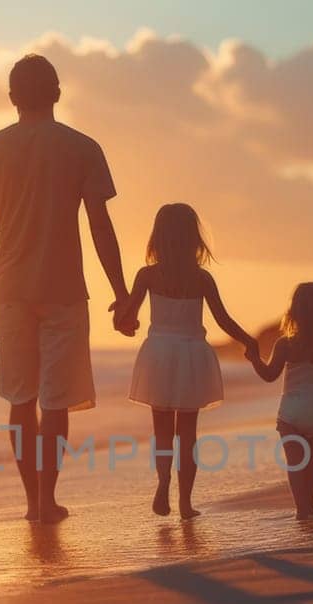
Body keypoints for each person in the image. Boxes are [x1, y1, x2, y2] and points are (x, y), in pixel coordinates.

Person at [0, 54, 128, 524]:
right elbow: (100, 227)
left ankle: (33, 501)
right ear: (57, 92)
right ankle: (47, 500)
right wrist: (123, 292)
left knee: (21, 399)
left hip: (8, 291)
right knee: (55, 402)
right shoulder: (82, 147)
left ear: (12, 98)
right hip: (65, 290)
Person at [116, 203, 258, 519]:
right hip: (192, 353)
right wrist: (249, 341)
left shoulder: (148, 275)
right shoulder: (201, 278)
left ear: (158, 237)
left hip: (159, 354)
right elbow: (223, 320)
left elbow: (129, 317)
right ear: (193, 238)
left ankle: (163, 482)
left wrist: (125, 319)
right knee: (188, 434)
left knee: (162, 431)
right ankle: (185, 503)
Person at [245, 282, 313, 520]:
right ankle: (310, 505)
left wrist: (254, 359)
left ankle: (301, 508)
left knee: (295, 461)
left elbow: (269, 375)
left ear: (293, 311)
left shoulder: (286, 344)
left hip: (293, 411)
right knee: (310, 459)